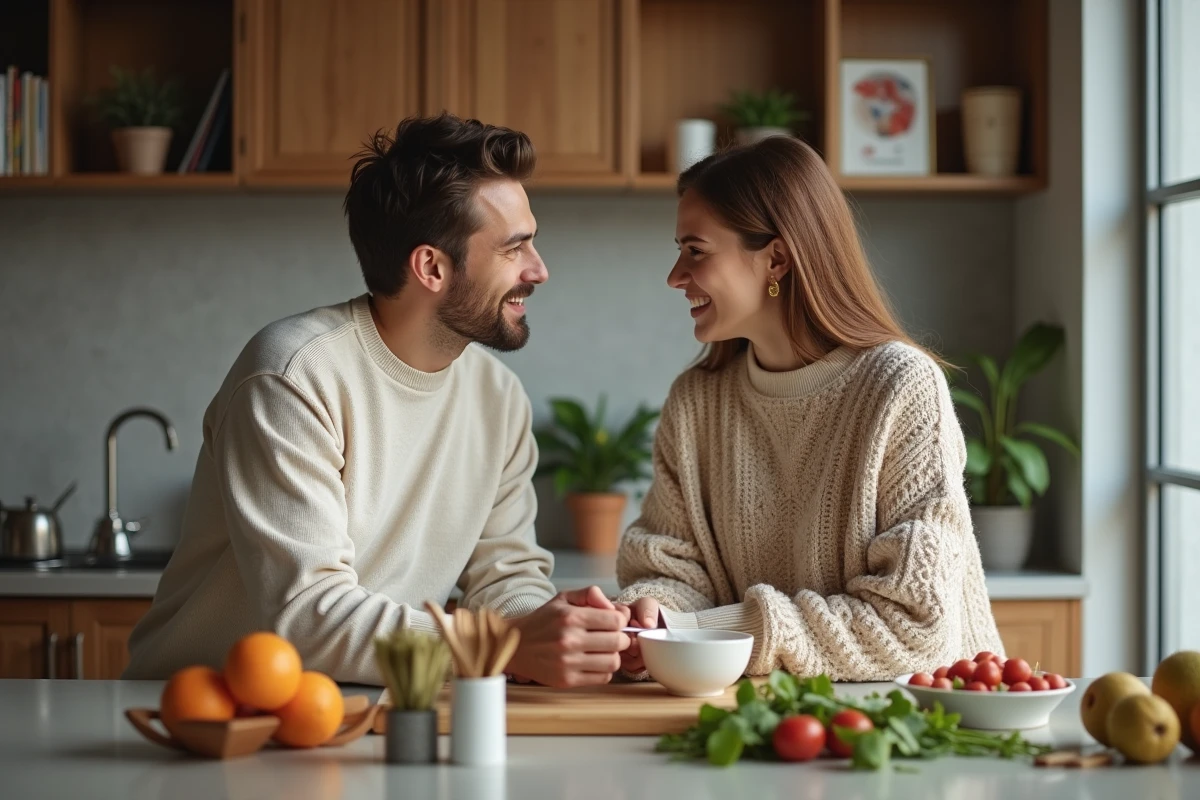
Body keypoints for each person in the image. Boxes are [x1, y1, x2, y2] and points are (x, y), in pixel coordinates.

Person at [124, 113, 630, 687]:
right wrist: (506, 645)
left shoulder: (498, 399)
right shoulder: (294, 376)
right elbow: (308, 616)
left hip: (366, 706)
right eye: (515, 248)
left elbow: (505, 576)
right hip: (201, 720)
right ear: (432, 267)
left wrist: (561, 632)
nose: (539, 269)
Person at [616, 136, 1004, 682]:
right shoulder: (697, 402)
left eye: (696, 250)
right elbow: (670, 565)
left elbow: (914, 624)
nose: (676, 275)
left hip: (918, 729)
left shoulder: (900, 387)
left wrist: (715, 631)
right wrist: (659, 614)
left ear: (776, 257)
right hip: (762, 726)